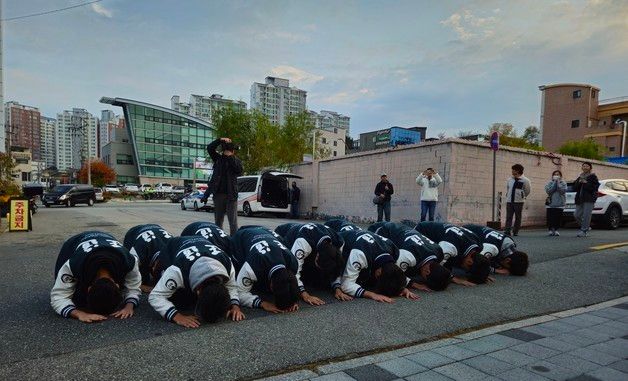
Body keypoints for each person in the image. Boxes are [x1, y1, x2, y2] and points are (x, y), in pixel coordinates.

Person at [148, 236, 243, 328]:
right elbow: (155, 296)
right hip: (172, 247)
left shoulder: (227, 264)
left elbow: (231, 287)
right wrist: (177, 316)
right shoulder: (177, 271)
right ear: (198, 290)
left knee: (214, 301)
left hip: (202, 243)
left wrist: (234, 305)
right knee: (181, 302)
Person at [51, 231, 141, 323]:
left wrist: (129, 306)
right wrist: (79, 313)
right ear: (88, 288)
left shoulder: (129, 261)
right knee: (78, 300)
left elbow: (133, 286)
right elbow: (58, 296)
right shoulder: (73, 264)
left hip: (107, 237)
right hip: (74, 243)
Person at [336, 225, 417, 302]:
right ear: (379, 273)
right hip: (338, 244)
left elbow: (394, 272)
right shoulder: (361, 254)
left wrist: (401, 287)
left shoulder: (393, 250)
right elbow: (346, 284)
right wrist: (372, 295)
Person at [275, 222, 350, 304]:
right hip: (283, 233)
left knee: (321, 281)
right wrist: (305, 295)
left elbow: (337, 267)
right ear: (317, 256)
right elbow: (294, 270)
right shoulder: (303, 243)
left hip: (312, 237)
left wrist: (337, 288)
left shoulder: (339, 241)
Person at [230, 226, 300, 313]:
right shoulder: (252, 266)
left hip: (265, 231)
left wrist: (291, 300)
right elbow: (240, 292)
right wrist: (262, 303)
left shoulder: (293, 262)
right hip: (241, 237)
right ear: (271, 286)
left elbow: (292, 283)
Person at [369, 222, 451, 291]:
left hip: (400, 228)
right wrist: (412, 283)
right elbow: (393, 272)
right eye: (424, 280)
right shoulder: (409, 256)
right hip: (381, 229)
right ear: (427, 271)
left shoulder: (439, 251)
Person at [414, 222, 491, 285]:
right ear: (469, 261)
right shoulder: (449, 247)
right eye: (467, 270)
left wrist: (482, 274)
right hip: (421, 230)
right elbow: (436, 267)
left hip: (441, 233)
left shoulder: (478, 244)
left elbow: (481, 261)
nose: (465, 272)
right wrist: (453, 278)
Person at [201, 137, 243, 235]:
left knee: (233, 222)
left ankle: (234, 242)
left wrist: (230, 157)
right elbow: (210, 148)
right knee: (218, 222)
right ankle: (219, 239)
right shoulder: (218, 159)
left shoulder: (236, 161)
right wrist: (220, 140)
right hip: (218, 195)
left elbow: (239, 171)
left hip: (231, 196)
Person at [462, 224, 529, 276]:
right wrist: (496, 270)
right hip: (463, 231)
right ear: (508, 260)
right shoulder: (491, 248)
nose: (505, 268)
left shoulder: (511, 243)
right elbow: (479, 263)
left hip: (473, 228)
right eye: (507, 267)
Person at [123, 224, 173, 293]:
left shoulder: (174, 250)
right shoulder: (138, 251)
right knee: (140, 277)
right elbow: (125, 274)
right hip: (133, 233)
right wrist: (141, 286)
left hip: (156, 228)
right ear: (153, 267)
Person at [573, 162, 600, 237]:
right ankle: (586, 227)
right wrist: (579, 182)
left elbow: (594, 188)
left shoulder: (593, 177)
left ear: (590, 168)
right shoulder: (580, 177)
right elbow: (574, 188)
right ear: (582, 168)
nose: (585, 167)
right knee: (576, 215)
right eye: (583, 166)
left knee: (586, 215)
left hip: (589, 199)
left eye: (587, 166)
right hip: (579, 199)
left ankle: (584, 231)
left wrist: (585, 183)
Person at [504, 164, 531, 236]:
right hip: (509, 201)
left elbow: (527, 190)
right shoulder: (510, 179)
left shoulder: (525, 180)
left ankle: (515, 231)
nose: (512, 171)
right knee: (508, 216)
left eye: (513, 170)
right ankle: (507, 230)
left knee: (518, 217)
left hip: (519, 201)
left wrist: (522, 196)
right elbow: (508, 188)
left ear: (518, 170)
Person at [544, 170, 567, 236]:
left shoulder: (563, 183)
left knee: (558, 217)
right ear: (552, 176)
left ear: (560, 176)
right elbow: (549, 191)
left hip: (560, 203)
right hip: (551, 203)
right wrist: (555, 183)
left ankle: (556, 230)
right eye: (555, 174)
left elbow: (562, 191)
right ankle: (550, 230)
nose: (556, 176)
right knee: (550, 217)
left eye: (558, 174)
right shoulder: (549, 183)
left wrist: (558, 183)